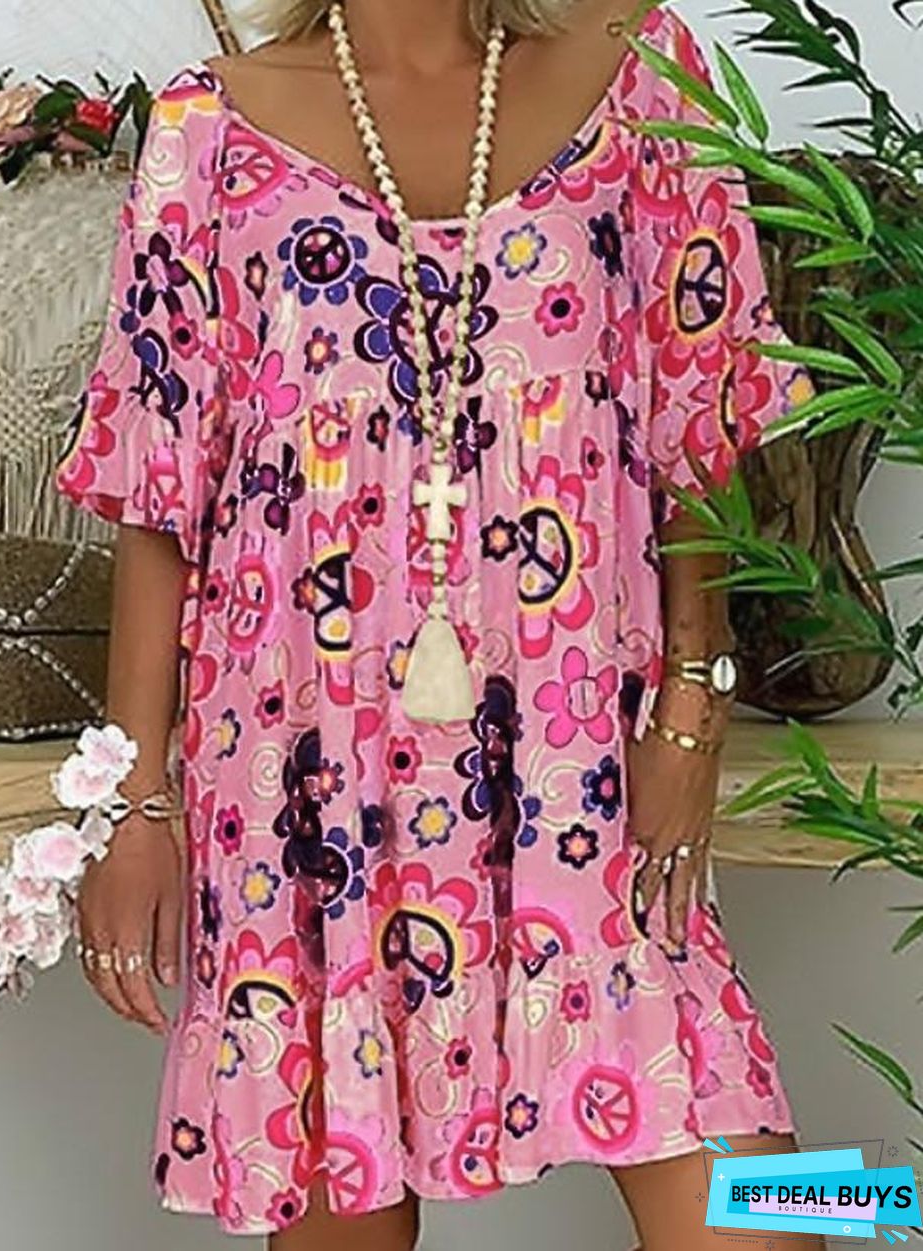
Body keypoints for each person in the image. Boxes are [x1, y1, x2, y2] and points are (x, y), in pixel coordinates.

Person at [54, 1, 824, 1248]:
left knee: (787, 1206)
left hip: (575, 767)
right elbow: (156, 493)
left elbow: (703, 409)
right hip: (304, 776)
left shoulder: (641, 68)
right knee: (341, 1198)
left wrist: (694, 701)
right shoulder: (208, 127)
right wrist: (133, 806)